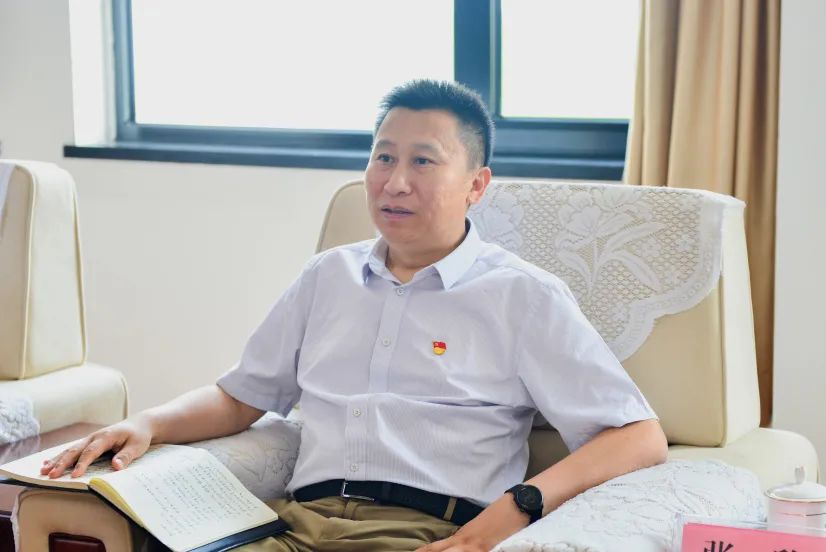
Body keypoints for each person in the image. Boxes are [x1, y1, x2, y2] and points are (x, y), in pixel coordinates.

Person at [42, 80, 667, 552]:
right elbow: (241, 397)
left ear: (476, 185)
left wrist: (511, 512)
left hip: (423, 532)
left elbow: (637, 436)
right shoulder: (328, 276)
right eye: (383, 157)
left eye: (423, 161)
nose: (395, 182)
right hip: (295, 527)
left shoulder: (522, 296)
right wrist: (146, 423)